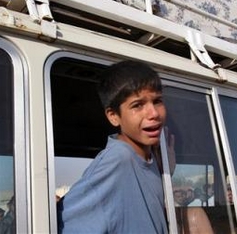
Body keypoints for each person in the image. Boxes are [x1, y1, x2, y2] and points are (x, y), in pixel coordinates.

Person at [57, 60, 168, 233]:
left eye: (157, 101)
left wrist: (167, 169)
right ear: (113, 116)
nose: (153, 113)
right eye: (137, 105)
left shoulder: (150, 158)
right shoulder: (117, 159)